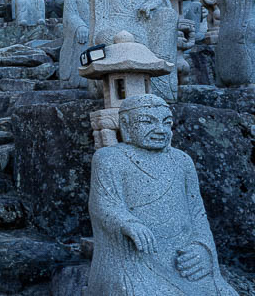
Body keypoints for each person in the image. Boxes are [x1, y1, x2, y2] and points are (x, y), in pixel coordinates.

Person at [87, 94, 237, 296]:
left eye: (166, 123)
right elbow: (103, 205)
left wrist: (202, 248)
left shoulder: (182, 161)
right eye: (147, 122)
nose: (160, 130)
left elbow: (197, 214)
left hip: (181, 259)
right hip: (135, 257)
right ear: (126, 124)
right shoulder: (109, 159)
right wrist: (129, 223)